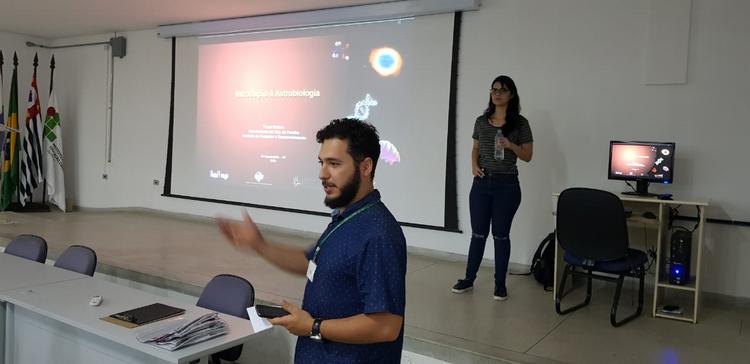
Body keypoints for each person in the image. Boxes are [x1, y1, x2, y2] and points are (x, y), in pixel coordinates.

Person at [218, 118, 407, 363]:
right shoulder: (346, 218)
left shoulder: (378, 234)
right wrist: (259, 245)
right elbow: (310, 262)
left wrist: (313, 327)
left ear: (366, 166)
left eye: (334, 164)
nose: (322, 174)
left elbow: (386, 326)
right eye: (321, 163)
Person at [451, 75, 534, 301]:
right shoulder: (481, 121)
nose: (497, 94)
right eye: (494, 89)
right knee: (478, 234)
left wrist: (511, 145)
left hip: (507, 185)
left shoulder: (520, 123)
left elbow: (528, 156)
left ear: (511, 95)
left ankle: (499, 284)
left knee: (500, 235)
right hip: (481, 183)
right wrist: (473, 165)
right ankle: (469, 279)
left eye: (502, 90)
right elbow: (475, 148)